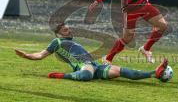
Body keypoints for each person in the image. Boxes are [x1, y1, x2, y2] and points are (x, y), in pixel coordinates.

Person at [15, 23, 168, 82]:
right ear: (58, 33)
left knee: (120, 71)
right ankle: (61, 75)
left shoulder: (73, 41)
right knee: (86, 74)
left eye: (69, 28)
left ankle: (154, 73)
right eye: (65, 29)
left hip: (95, 65)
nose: (69, 30)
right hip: (83, 66)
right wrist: (27, 55)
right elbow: (41, 55)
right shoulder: (57, 43)